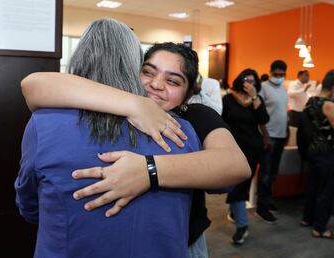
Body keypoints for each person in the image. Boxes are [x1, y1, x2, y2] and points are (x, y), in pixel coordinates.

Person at [21, 44, 250, 258]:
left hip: (181, 242)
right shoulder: (117, 106)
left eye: (173, 81)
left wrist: (148, 170)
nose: (156, 84)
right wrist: (134, 104)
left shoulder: (195, 116)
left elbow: (235, 166)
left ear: (188, 95)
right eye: (148, 72)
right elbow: (34, 85)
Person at [223, 69, 269, 245]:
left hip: (252, 149)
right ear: (239, 80)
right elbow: (221, 122)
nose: (249, 83)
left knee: (239, 187)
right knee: (234, 185)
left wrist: (255, 97)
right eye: (246, 79)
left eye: (253, 80)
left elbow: (264, 118)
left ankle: (242, 225)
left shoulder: (256, 100)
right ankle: (236, 213)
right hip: (232, 149)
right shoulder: (229, 99)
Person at [301, 70, 334, 239]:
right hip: (327, 152)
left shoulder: (312, 101)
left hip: (312, 149)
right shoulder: (329, 105)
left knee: (313, 187)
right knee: (327, 191)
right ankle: (320, 228)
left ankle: (308, 218)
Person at [255, 60, 288, 224]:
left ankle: (268, 200)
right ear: (270, 72)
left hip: (282, 135)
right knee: (266, 173)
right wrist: (265, 135)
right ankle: (261, 207)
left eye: (282, 75)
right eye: (276, 74)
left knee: (273, 172)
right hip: (269, 135)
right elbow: (260, 114)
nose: (279, 77)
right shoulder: (263, 88)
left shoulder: (283, 88)